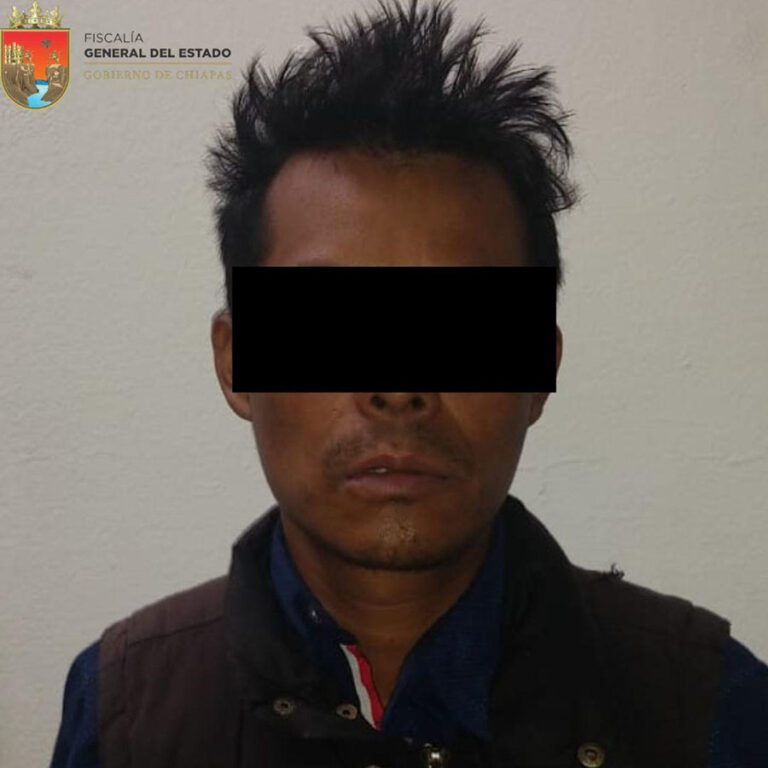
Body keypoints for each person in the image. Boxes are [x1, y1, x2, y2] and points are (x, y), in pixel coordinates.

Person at [49, 1, 768, 766]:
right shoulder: (125, 712)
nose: (398, 387)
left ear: (540, 368)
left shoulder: (707, 706)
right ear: (236, 363)